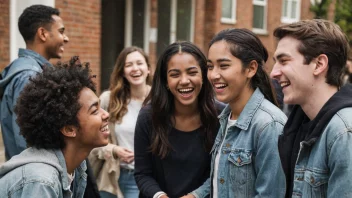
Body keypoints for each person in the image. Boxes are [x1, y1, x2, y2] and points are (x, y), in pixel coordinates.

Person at [188, 28, 287, 198]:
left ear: (251, 68)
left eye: (224, 66)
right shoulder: (226, 117)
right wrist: (194, 195)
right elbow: (222, 179)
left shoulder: (268, 125)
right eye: (210, 66)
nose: (213, 75)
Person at [0, 57, 110, 198]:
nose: (106, 114)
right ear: (69, 129)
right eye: (95, 111)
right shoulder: (42, 181)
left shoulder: (76, 167)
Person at [270, 19, 352, 197]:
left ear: (319, 64)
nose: (273, 72)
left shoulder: (344, 132)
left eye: (284, 61)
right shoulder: (297, 125)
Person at [134, 41, 224, 198]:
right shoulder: (148, 117)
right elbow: (142, 174)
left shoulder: (221, 116)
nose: (184, 80)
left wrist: (194, 196)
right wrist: (160, 196)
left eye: (192, 72)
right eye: (175, 74)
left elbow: (222, 173)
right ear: (166, 81)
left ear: (203, 75)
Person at [0, 4, 69, 160]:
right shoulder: (29, 77)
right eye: (61, 31)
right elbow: (28, 143)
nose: (66, 38)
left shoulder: (32, 71)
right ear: (43, 34)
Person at [89, 46, 151, 198]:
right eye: (129, 65)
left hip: (148, 178)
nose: (135, 69)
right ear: (122, 71)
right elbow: (90, 139)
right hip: (113, 177)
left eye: (139, 63)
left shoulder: (158, 100)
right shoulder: (108, 100)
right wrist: (113, 150)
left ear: (148, 69)